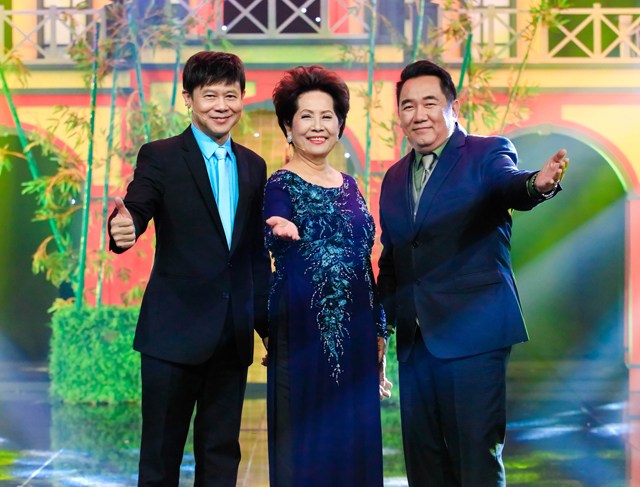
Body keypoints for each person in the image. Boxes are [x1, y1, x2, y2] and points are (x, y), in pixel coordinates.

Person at [377, 59, 569, 486]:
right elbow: (393, 259)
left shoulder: (486, 153)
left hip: (475, 335)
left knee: (475, 458)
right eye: (408, 105)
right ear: (400, 115)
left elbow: (509, 185)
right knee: (424, 463)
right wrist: (380, 328)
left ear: (454, 107)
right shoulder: (393, 177)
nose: (419, 114)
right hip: (415, 343)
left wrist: (537, 184)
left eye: (430, 102)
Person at [108, 51, 271, 486]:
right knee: (159, 460)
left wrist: (268, 327)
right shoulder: (161, 156)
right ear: (188, 98)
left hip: (231, 337)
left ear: (242, 98)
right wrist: (126, 227)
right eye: (210, 95)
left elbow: (254, 256)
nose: (222, 105)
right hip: (172, 335)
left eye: (231, 95)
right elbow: (138, 203)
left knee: (221, 458)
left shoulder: (253, 165)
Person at [263, 65, 388, 487]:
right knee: (308, 446)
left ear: (339, 125)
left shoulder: (351, 185)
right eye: (306, 116)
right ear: (288, 126)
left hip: (358, 335)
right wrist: (279, 228)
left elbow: (364, 263)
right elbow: (273, 223)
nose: (317, 126)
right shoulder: (279, 184)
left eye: (327, 116)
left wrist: (379, 331)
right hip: (304, 334)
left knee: (356, 443)